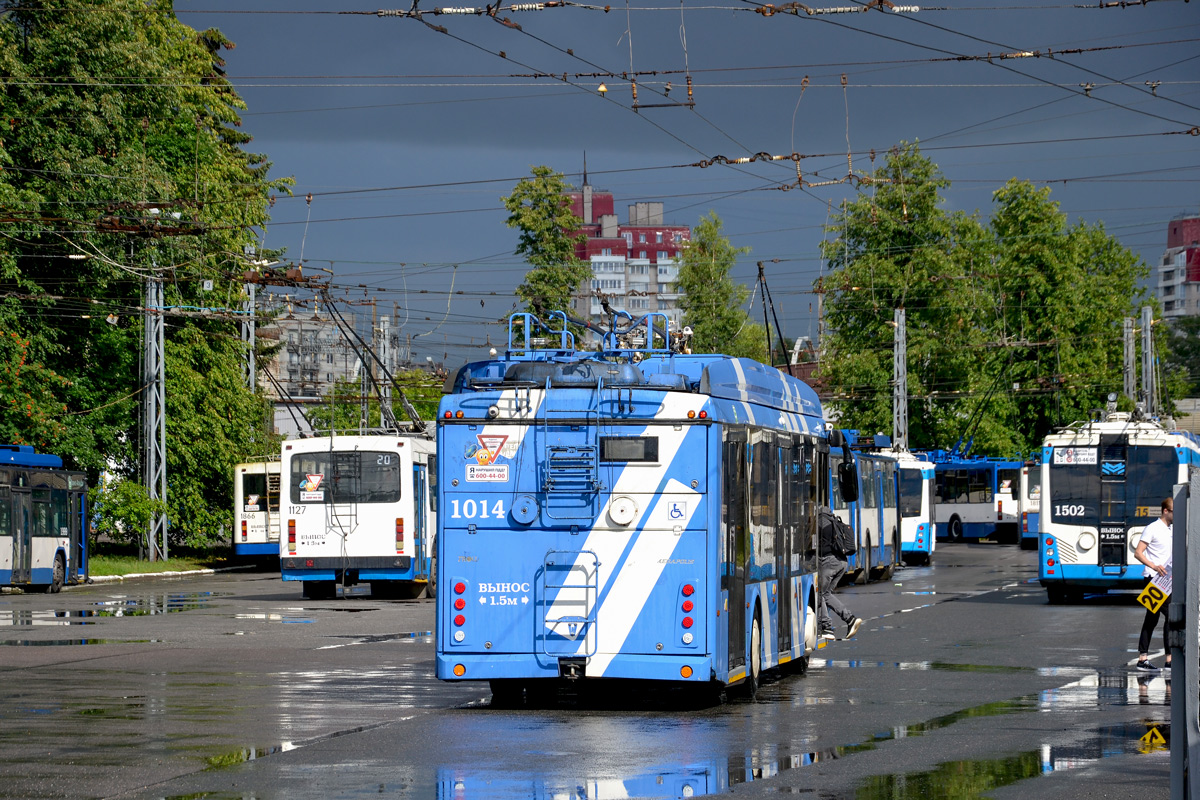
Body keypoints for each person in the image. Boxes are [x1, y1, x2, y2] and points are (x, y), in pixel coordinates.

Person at [1133, 496, 1173, 672]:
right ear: (1166, 511)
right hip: (1153, 578)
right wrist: (1154, 566)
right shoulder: (1152, 528)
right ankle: (1170, 660)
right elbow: (1138, 553)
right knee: (1171, 615)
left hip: (1166, 580)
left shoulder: (1171, 529)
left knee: (1152, 618)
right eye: (1174, 511)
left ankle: (1143, 658)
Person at [817, 505, 863, 641]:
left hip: (830, 562)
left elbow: (821, 548)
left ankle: (826, 627)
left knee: (819, 593)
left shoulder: (820, 522)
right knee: (826, 594)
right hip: (841, 562)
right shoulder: (833, 519)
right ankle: (850, 619)